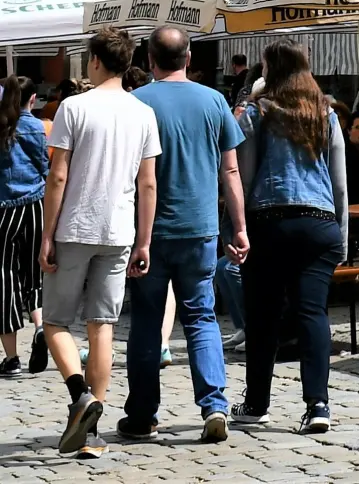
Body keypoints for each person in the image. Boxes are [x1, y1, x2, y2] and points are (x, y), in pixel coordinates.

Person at [117, 26, 248, 444]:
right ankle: (214, 404)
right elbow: (230, 170)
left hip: (148, 231)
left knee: (146, 322)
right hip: (200, 228)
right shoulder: (214, 101)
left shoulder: (135, 102)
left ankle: (141, 414)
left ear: (149, 61)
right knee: (201, 316)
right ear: (189, 58)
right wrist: (240, 227)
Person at [40, 28, 161, 460]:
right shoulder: (142, 112)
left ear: (94, 61)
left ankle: (79, 397)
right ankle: (93, 433)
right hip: (118, 230)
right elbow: (147, 183)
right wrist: (143, 240)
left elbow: (58, 176)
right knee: (102, 325)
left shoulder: (74, 107)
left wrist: (47, 233)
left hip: (75, 225)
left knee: (54, 321)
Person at [233, 40, 348, 435]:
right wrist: (343, 236)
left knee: (263, 316)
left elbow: (244, 177)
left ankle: (256, 402)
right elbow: (339, 184)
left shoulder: (256, 113)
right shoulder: (325, 115)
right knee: (312, 313)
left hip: (270, 221)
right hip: (320, 223)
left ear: (270, 72)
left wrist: (238, 227)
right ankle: (318, 404)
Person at [0, 75, 48, 378]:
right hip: (36, 206)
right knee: (35, 272)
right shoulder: (34, 126)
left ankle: (12, 358)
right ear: (32, 99)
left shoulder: (2, 125)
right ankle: (41, 326)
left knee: (5, 277)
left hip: (4, 208)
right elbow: (45, 164)